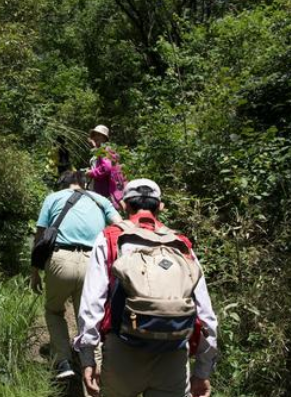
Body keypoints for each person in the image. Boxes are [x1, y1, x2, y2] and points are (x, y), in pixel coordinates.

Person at [74, 179, 218, 397]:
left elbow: (92, 303)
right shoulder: (181, 245)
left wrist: (88, 357)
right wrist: (202, 370)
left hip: (123, 352)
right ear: (160, 206)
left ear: (124, 205)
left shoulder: (111, 238)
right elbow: (206, 315)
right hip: (173, 355)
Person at [31, 171, 122, 380]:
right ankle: (94, 368)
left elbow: (39, 236)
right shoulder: (100, 200)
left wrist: (34, 271)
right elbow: (119, 225)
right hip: (94, 263)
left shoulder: (52, 198)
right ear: (84, 183)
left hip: (60, 259)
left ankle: (63, 362)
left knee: (54, 311)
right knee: (89, 316)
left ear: (63, 185)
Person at [86, 124, 126, 210]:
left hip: (106, 190)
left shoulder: (106, 150)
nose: (96, 137)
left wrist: (92, 173)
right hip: (101, 189)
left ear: (104, 138)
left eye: (99, 135)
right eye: (95, 135)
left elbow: (107, 168)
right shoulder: (100, 150)